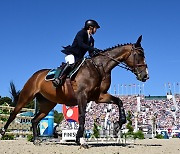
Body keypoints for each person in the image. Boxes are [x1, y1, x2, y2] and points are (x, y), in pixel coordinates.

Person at [52, 19, 101, 87]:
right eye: (96, 28)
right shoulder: (81, 33)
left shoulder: (91, 40)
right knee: (71, 62)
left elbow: (91, 53)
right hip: (72, 54)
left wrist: (98, 53)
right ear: (90, 27)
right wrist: (92, 48)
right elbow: (81, 44)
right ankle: (58, 79)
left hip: (79, 58)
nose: (96, 30)